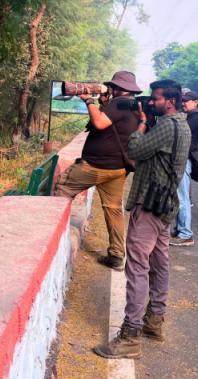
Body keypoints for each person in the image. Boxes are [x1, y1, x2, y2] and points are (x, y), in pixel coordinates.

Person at [93, 80, 191, 359]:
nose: (151, 102)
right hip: (165, 205)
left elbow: (134, 150)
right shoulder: (182, 125)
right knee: (160, 264)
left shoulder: (166, 126)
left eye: (156, 99)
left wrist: (142, 122)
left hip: (149, 205)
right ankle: (154, 322)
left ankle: (131, 336)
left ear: (170, 102)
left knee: (136, 267)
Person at [54, 71, 143, 271]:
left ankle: (54, 241)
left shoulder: (119, 103)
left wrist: (88, 101)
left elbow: (100, 122)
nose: (109, 89)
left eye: (112, 87)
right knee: (113, 209)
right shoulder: (130, 105)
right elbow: (109, 123)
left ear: (119, 88)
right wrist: (102, 104)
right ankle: (117, 255)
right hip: (118, 168)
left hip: (96, 166)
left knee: (62, 188)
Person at [171, 90, 198, 247]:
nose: (183, 103)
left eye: (187, 101)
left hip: (184, 160)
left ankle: (185, 233)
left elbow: (177, 130)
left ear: (196, 102)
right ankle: (179, 229)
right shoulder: (189, 116)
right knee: (178, 197)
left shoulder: (196, 117)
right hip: (180, 158)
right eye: (182, 101)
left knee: (183, 198)